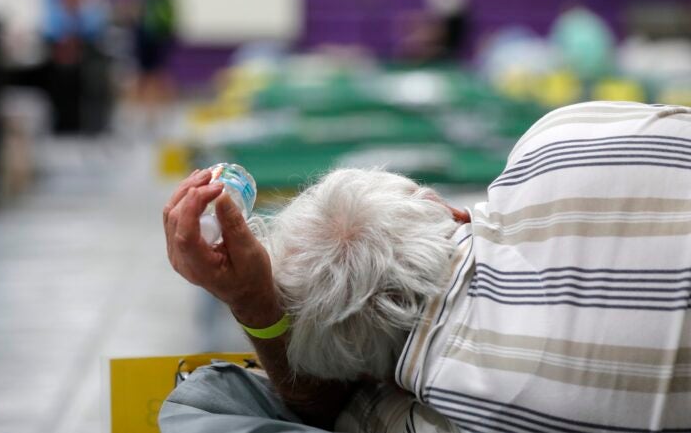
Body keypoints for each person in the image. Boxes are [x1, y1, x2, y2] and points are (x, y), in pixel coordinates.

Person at [160, 101, 691, 433]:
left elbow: (315, 406)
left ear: (370, 373)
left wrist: (254, 303)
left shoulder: (447, 416)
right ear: (448, 209)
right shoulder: (560, 139)